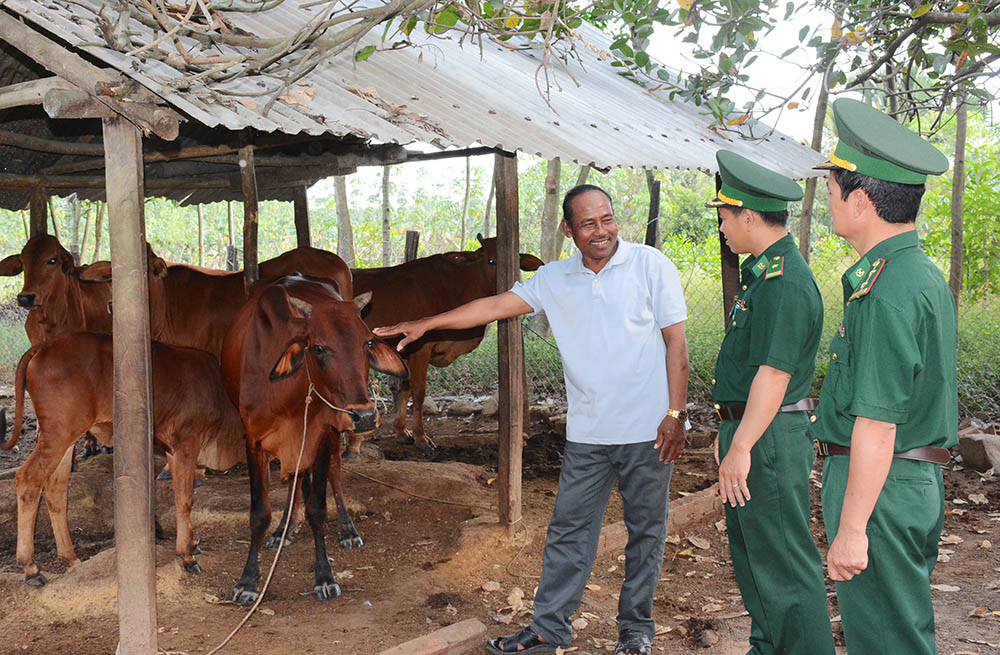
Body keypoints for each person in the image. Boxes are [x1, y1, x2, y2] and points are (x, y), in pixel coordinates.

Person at [374, 184, 689, 655]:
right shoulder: (554, 278)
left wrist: (675, 414)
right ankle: (549, 630)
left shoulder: (650, 265)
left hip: (649, 430)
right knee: (568, 533)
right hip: (588, 434)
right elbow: (492, 306)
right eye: (588, 223)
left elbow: (676, 343)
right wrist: (426, 323)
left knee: (646, 532)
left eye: (606, 219)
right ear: (568, 230)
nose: (601, 231)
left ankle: (635, 631)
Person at [812, 98, 957, 655]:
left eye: (831, 190)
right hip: (903, 482)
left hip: (881, 485)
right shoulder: (917, 274)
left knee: (886, 640)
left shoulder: (887, 289)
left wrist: (852, 529)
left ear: (861, 200)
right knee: (900, 630)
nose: (828, 201)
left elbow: (877, 423)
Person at [707, 150, 834, 655]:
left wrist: (741, 446)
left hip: (768, 436)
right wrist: (730, 435)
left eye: (724, 216)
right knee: (755, 558)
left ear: (748, 217)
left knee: (783, 561)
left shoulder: (785, 282)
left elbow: (775, 374)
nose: (721, 227)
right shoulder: (763, 274)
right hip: (752, 430)